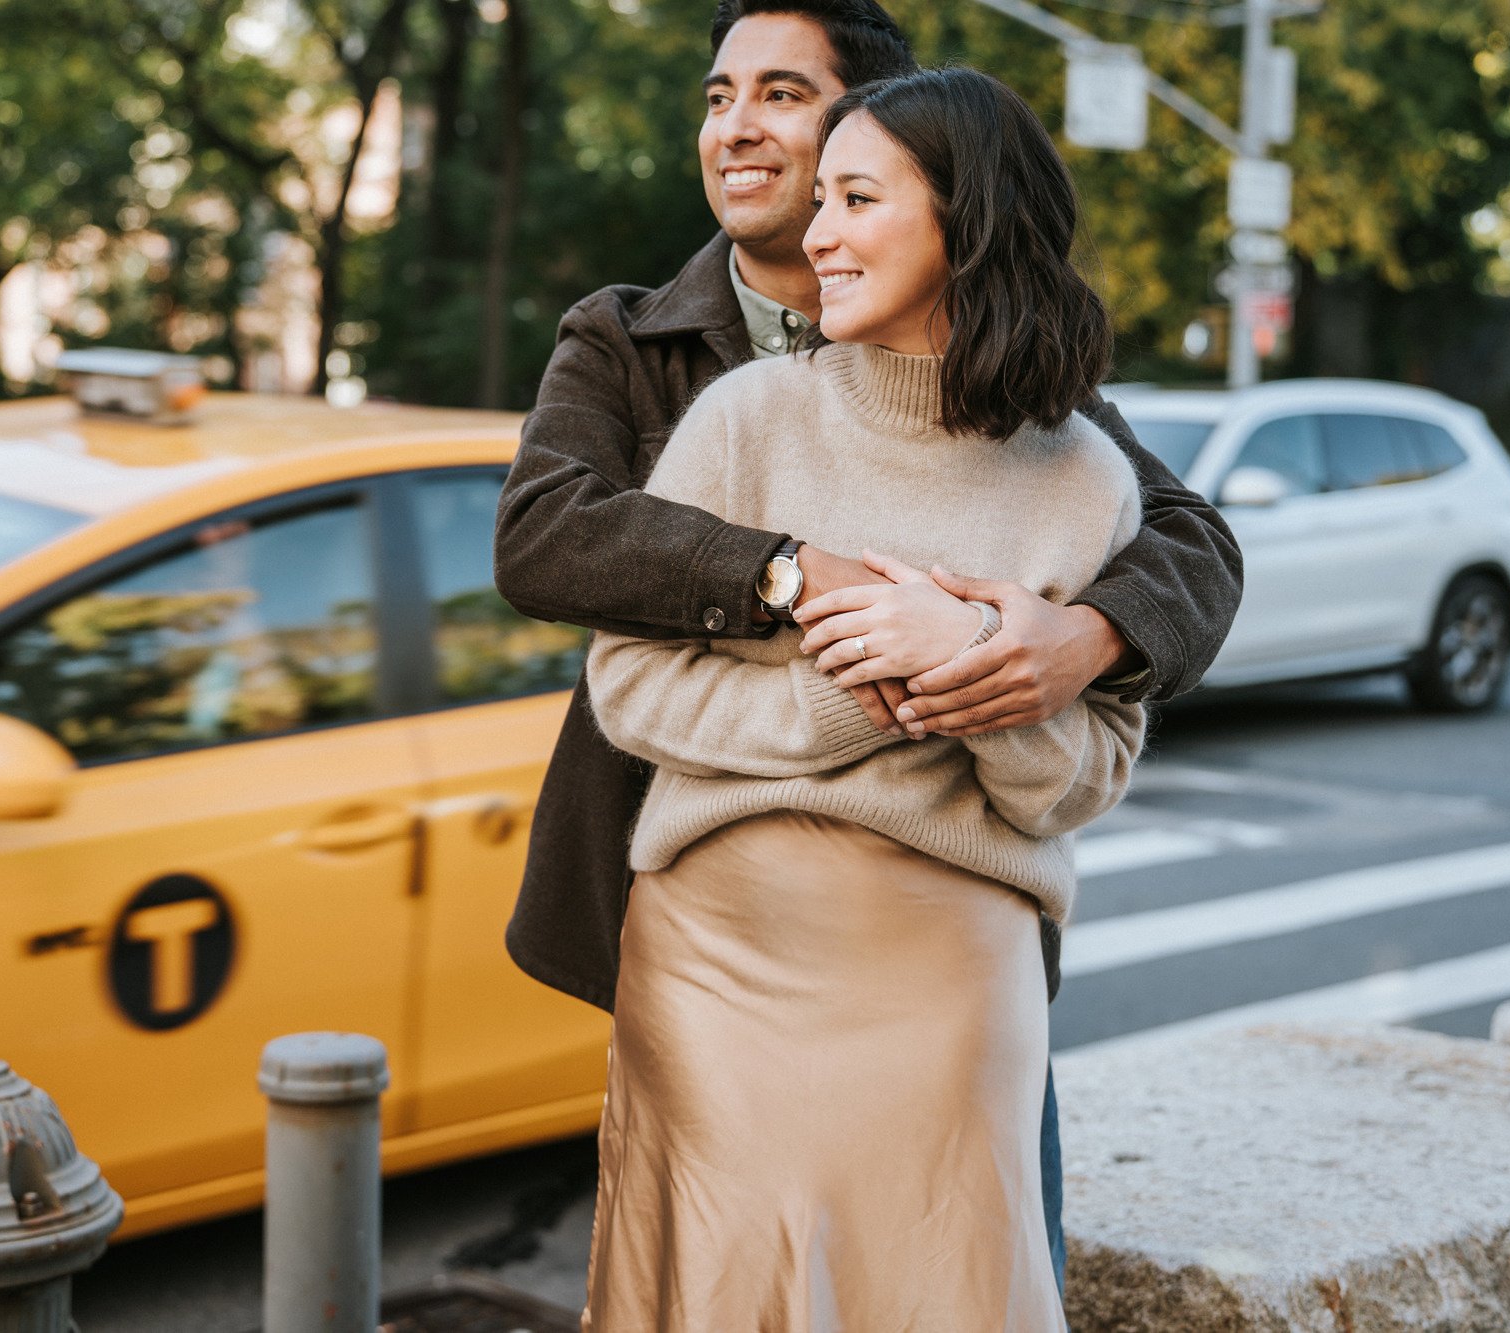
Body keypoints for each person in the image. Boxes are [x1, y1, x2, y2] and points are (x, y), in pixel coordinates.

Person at [492, 0, 1243, 1299]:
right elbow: (545, 534)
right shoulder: (639, 342)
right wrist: (793, 579)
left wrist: (1066, 639)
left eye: (783, 95)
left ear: (886, 131)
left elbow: (1186, 536)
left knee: (973, 1263)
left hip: (951, 940)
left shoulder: (1022, 392)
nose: (737, 126)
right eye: (719, 96)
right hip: (711, 912)